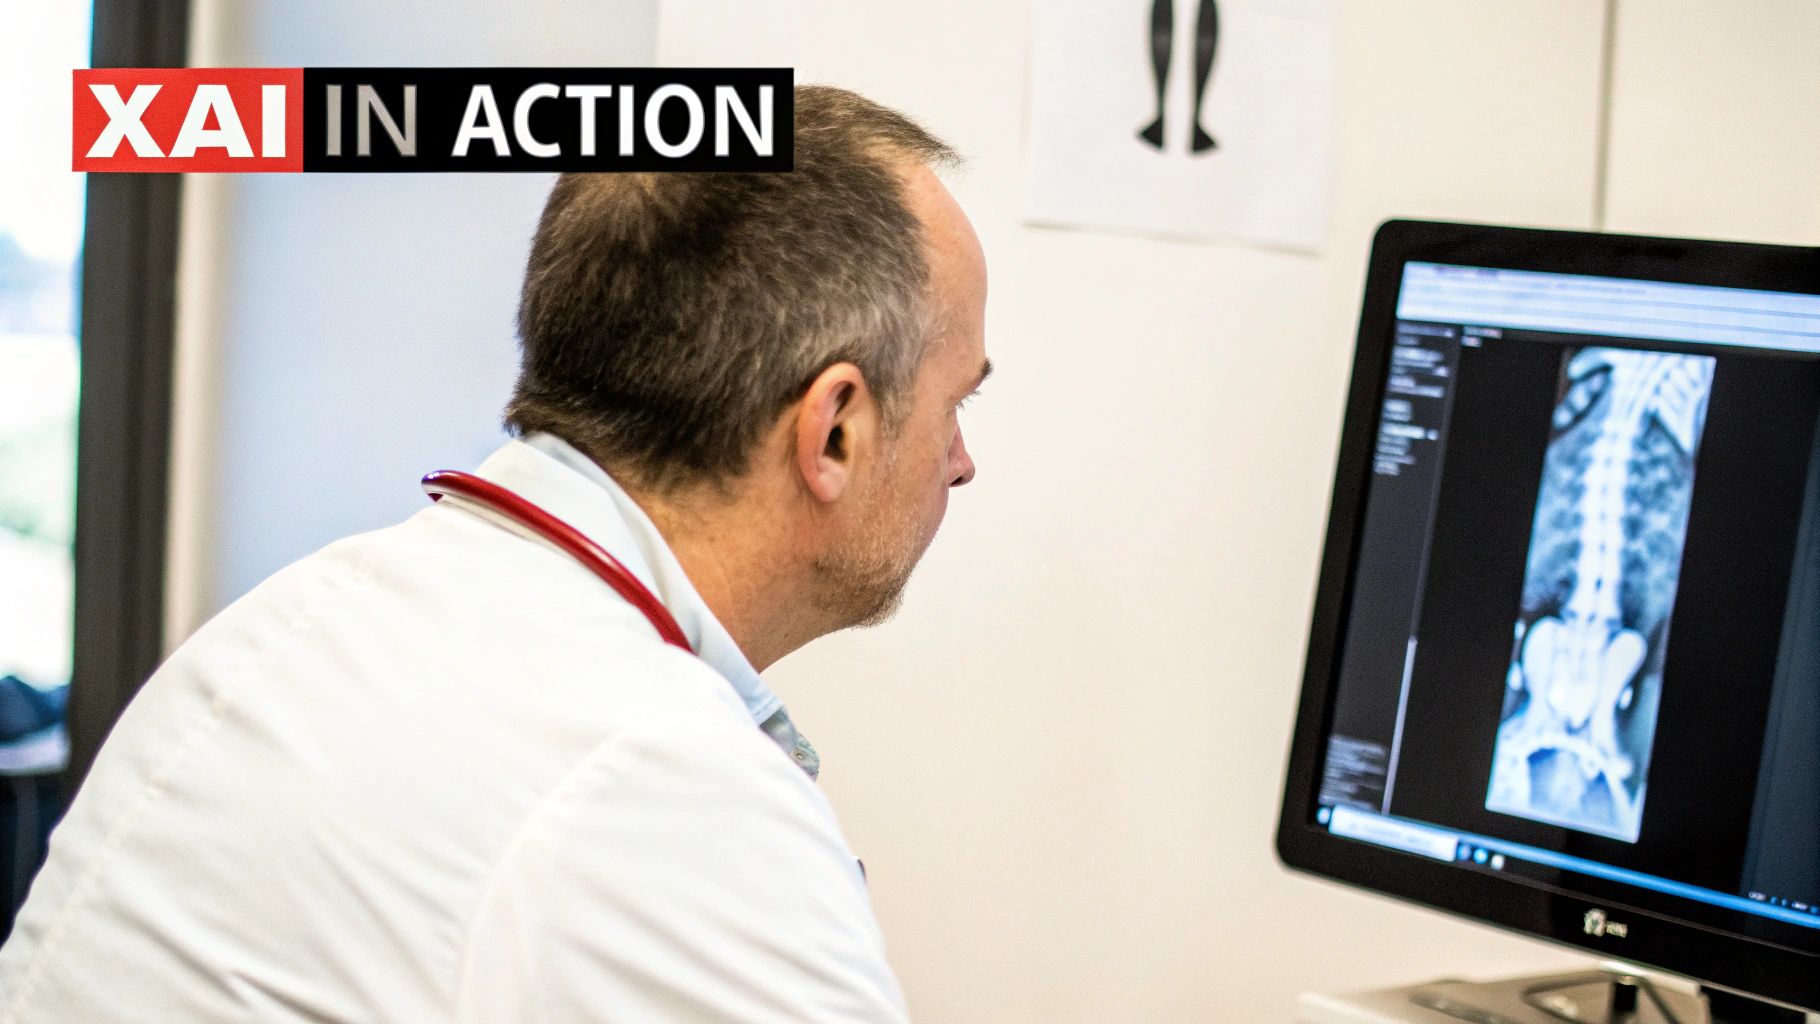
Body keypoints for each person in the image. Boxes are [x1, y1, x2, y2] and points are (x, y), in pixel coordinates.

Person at [0, 85, 990, 1022]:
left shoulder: (290, 623)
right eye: (956, 403)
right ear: (833, 433)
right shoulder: (668, 785)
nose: (961, 461)